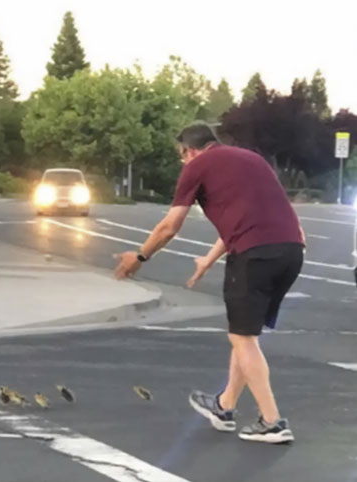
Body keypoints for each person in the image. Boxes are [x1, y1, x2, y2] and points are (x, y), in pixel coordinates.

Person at [115, 123, 304, 444]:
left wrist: (140, 257)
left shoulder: (197, 166)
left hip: (254, 256)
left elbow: (169, 226)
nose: (182, 162)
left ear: (189, 150)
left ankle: (272, 421)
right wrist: (209, 258)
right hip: (291, 251)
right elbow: (250, 217)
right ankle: (225, 405)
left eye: (181, 156)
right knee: (246, 334)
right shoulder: (251, 159)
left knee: (242, 338)